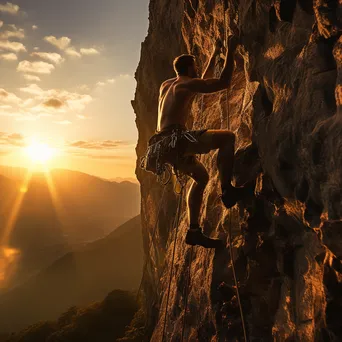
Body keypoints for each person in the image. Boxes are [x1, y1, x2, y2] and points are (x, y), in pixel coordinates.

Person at [142, 35, 253, 248]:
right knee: (227, 138)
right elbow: (223, 82)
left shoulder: (167, 85)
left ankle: (193, 232)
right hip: (177, 140)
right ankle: (227, 189)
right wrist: (230, 49)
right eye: (196, 66)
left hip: (162, 145)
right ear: (191, 68)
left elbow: (200, 80)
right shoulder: (186, 85)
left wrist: (213, 53)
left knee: (201, 178)